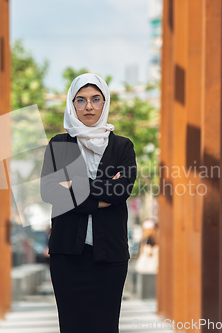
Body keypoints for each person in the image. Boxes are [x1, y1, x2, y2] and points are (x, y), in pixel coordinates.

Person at [40, 73, 137, 333]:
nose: (89, 107)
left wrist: (74, 186)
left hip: (111, 257)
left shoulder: (122, 146)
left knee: (106, 327)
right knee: (71, 327)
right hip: (66, 256)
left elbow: (120, 191)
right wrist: (100, 199)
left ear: (105, 103)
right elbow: (50, 191)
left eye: (96, 99)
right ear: (72, 104)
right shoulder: (59, 144)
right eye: (80, 100)